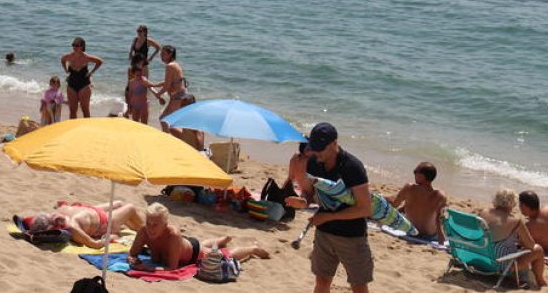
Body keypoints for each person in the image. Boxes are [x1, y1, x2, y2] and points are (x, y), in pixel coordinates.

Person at [303, 123, 373, 293]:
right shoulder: (313, 162)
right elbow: (310, 193)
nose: (316, 152)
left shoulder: (352, 167)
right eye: (314, 148)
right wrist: (302, 201)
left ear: (335, 143)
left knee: (358, 286)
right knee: (322, 281)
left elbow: (365, 209)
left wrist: (327, 217)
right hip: (323, 234)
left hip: (351, 237)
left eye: (321, 148)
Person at [128, 203, 269, 272]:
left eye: (155, 224)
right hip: (184, 245)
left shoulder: (172, 235)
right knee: (203, 245)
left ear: (165, 224)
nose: (150, 228)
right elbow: (132, 254)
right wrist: (132, 259)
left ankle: (253, 249)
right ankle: (221, 240)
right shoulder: (143, 230)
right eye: (148, 223)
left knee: (223, 256)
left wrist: (145, 268)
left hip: (193, 253)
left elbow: (172, 268)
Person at [478, 189, 546, 287]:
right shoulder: (516, 221)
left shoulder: (483, 212)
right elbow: (531, 245)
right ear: (512, 203)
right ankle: (540, 281)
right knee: (538, 250)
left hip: (479, 257)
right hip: (497, 264)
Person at [23, 200, 145, 249]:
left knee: (119, 203)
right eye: (54, 219)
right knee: (130, 208)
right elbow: (95, 244)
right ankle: (145, 229)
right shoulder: (72, 228)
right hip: (105, 223)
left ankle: (135, 225)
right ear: (54, 227)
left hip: (92, 211)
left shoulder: (57, 214)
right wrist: (110, 238)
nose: (55, 216)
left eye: (52, 215)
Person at [389, 162, 448, 243]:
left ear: (422, 176)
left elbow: (394, 204)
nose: (414, 174)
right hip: (430, 235)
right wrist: (441, 239)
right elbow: (439, 219)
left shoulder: (409, 188)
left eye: (415, 172)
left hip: (410, 231)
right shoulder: (440, 196)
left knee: (404, 208)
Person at [156, 45, 196, 145]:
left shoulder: (170, 66)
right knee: (170, 121)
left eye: (163, 54)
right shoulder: (175, 65)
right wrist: (154, 85)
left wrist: (158, 93)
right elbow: (170, 82)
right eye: (161, 53)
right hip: (181, 96)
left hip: (178, 97)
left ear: (170, 54)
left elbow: (167, 85)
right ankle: (182, 141)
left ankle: (169, 142)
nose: (161, 56)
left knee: (164, 120)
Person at [61, 37, 103, 119]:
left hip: (84, 85)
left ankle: (86, 130)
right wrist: (66, 70)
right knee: (72, 111)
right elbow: (62, 60)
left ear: (82, 47)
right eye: (73, 45)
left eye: (77, 45)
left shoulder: (86, 57)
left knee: (85, 110)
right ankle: (73, 129)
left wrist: (91, 73)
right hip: (71, 84)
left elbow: (99, 61)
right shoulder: (69, 56)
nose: (75, 47)